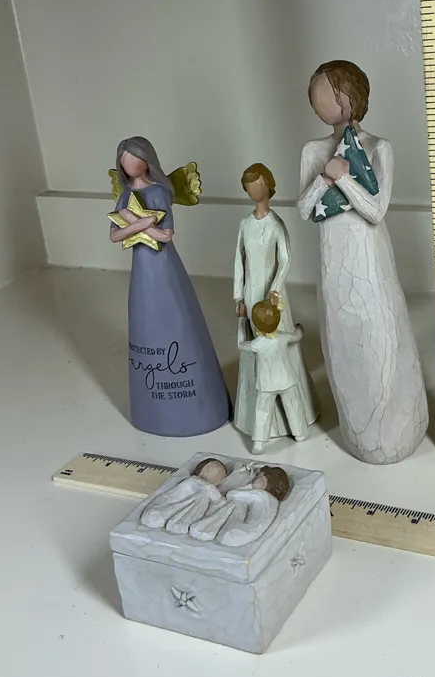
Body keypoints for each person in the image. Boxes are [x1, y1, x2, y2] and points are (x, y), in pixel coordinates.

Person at [297, 60, 428, 465]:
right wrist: (324, 178)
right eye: (316, 95)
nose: (319, 102)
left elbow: (375, 210)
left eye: (327, 93)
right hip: (333, 262)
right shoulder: (313, 151)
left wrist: (343, 178)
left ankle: (399, 426)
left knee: (381, 336)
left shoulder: (377, 148)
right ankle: (359, 430)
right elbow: (304, 209)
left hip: (370, 262)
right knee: (343, 342)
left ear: (350, 96)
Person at [109, 136, 231, 436]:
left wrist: (138, 224)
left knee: (177, 316)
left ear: (146, 160)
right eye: (124, 162)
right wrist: (139, 224)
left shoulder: (159, 192)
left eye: (134, 159)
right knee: (145, 318)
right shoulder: (126, 196)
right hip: (142, 270)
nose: (129, 166)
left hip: (163, 266)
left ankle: (196, 403)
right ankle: (155, 409)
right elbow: (114, 235)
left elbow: (166, 236)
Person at [233, 163, 317, 438]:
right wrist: (238, 296)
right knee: (257, 348)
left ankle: (295, 413)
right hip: (251, 292)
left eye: (258, 186)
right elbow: (239, 261)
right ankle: (256, 418)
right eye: (250, 187)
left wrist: (275, 288)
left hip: (273, 295)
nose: (254, 192)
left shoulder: (275, 224)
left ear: (268, 186)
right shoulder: (245, 225)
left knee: (280, 343)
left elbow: (286, 259)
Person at [238, 302, 309, 453]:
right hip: (286, 380)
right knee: (293, 406)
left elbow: (241, 345)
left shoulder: (257, 344)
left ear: (256, 325)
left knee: (262, 411)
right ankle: (300, 433)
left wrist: (242, 322)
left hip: (266, 384)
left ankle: (259, 443)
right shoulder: (282, 338)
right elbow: (297, 335)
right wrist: (299, 327)